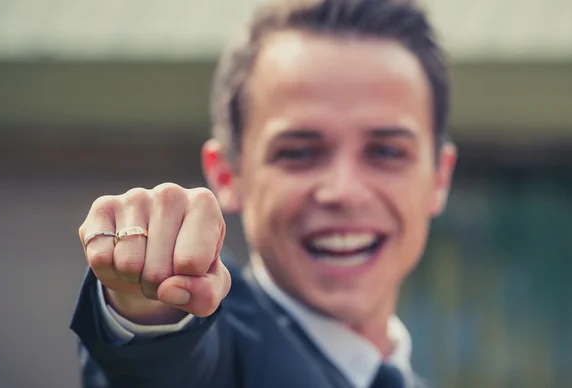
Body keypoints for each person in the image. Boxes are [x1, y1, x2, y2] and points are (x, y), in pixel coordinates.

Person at [71, 0, 457, 387]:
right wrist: (148, 303)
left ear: (439, 177)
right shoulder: (219, 354)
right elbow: (164, 366)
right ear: (227, 174)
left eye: (387, 152)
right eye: (299, 153)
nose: (345, 192)